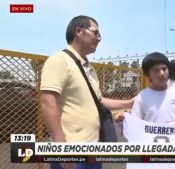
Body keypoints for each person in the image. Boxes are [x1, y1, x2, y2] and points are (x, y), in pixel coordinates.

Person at [40, 15, 134, 169]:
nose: (99, 38)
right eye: (95, 33)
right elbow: (48, 102)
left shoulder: (89, 68)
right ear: (79, 31)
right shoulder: (59, 60)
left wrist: (130, 102)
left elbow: (99, 100)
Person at [124, 52, 175, 169]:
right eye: (156, 70)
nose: (162, 73)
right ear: (147, 75)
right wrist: (125, 121)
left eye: (164, 69)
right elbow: (136, 127)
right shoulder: (142, 97)